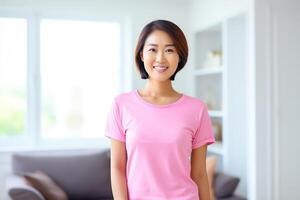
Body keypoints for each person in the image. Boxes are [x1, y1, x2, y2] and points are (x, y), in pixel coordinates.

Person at [105, 19, 215, 200]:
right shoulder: (121, 105)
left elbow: (199, 174)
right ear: (141, 54)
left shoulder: (197, 109)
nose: (160, 58)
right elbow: (117, 168)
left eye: (170, 50)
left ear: (179, 56)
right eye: (152, 49)